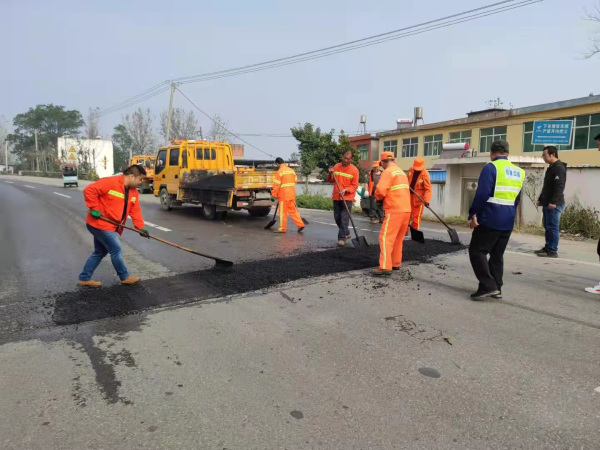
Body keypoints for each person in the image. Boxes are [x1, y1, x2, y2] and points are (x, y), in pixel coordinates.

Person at [468, 140, 524, 300]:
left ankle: (488, 285)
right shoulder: (519, 171)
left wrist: (473, 214)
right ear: (507, 152)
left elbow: (482, 194)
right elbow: (516, 199)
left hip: (490, 217)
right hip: (507, 220)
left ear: (492, 153)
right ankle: (497, 288)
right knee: (497, 255)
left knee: (477, 251)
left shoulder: (491, 167)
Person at [78, 165, 150, 287]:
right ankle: (124, 277)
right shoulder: (110, 182)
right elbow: (89, 190)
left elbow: (135, 210)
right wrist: (94, 208)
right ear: (132, 176)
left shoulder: (133, 192)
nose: (140, 182)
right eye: (140, 179)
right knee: (115, 249)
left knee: (99, 252)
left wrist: (140, 227)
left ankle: (84, 278)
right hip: (100, 224)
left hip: (112, 226)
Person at [373, 152, 411, 276]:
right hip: (406, 210)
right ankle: (395, 263)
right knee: (398, 239)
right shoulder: (401, 172)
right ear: (393, 160)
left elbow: (380, 190)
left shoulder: (387, 172)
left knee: (385, 238)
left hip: (394, 209)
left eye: (382, 164)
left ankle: (385, 266)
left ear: (384, 162)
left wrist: (377, 198)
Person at [535, 146, 567, 258]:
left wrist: (553, 201)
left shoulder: (559, 168)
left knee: (553, 228)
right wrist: (541, 198)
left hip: (554, 204)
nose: (543, 157)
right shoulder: (551, 168)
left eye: (545, 155)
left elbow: (559, 187)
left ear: (552, 154)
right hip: (547, 202)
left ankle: (552, 251)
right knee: (548, 227)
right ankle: (548, 247)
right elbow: (547, 187)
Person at [327, 150, 359, 246]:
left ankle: (341, 238)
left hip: (347, 198)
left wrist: (346, 189)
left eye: (348, 159)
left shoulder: (354, 170)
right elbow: (331, 180)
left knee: (344, 218)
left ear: (351, 159)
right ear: (342, 156)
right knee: (337, 217)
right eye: (344, 158)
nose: (345, 160)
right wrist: (330, 174)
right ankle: (347, 233)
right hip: (337, 196)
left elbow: (354, 186)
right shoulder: (336, 167)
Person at [270, 157, 305, 233]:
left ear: (278, 163)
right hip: (291, 195)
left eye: (277, 164)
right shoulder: (291, 170)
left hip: (283, 196)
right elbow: (295, 181)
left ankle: (282, 228)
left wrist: (273, 195)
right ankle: (301, 224)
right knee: (293, 211)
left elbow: (276, 185)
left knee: (282, 213)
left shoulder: (280, 172)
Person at [406, 157, 432, 230]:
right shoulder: (411, 170)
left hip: (418, 199)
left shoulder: (425, 174)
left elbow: (428, 189)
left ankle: (414, 234)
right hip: (408, 197)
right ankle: (404, 232)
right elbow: (406, 180)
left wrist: (426, 200)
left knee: (416, 218)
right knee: (406, 216)